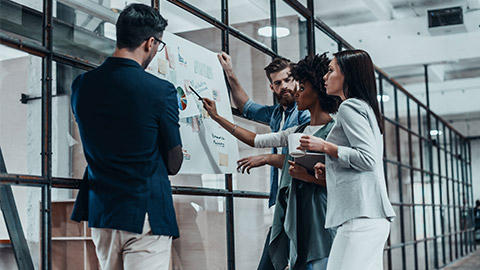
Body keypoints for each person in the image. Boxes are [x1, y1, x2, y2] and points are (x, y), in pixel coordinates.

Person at [70, 4, 182, 270]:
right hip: (146, 212)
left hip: (102, 211)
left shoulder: (82, 85)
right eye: (158, 44)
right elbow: (174, 162)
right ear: (150, 42)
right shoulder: (161, 90)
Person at [204, 53, 340, 270]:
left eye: (298, 86)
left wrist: (280, 164)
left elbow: (340, 180)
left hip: (318, 215)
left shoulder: (332, 130)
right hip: (292, 208)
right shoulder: (290, 124)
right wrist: (218, 116)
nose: (293, 91)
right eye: (278, 83)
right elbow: (253, 131)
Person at [298, 49, 396, 270]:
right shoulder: (367, 108)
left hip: (360, 218)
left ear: (347, 76)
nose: (325, 76)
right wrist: (331, 166)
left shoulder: (349, 107)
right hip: (370, 216)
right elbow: (363, 158)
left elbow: (368, 159)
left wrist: (324, 146)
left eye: (331, 71)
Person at [218, 52, 310, 269]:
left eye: (288, 80)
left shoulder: (306, 115)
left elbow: (300, 160)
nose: (284, 86)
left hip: (300, 200)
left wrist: (267, 158)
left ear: (296, 80)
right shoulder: (277, 114)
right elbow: (246, 107)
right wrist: (229, 71)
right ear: (272, 88)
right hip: (283, 202)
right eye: (278, 83)